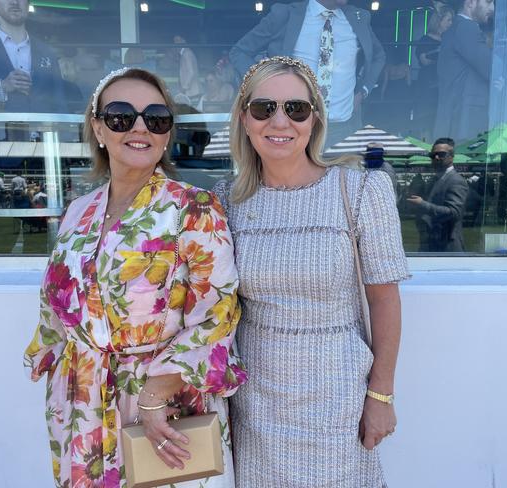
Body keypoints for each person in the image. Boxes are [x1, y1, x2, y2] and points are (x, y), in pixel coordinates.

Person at [23, 67, 246, 487]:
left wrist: (153, 396)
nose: (139, 127)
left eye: (156, 117)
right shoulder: (77, 211)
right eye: (121, 116)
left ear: (167, 132)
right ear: (98, 128)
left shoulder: (193, 208)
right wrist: (52, 368)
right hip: (83, 403)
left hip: (163, 407)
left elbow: (219, 312)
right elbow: (55, 305)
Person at [212, 56, 408, 487]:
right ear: (245, 119)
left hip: (339, 397)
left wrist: (381, 395)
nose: (279, 120)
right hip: (255, 403)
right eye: (264, 108)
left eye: (295, 109)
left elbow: (384, 300)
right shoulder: (224, 200)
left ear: (314, 120)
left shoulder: (359, 190)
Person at [229, 0, 386, 146]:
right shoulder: (286, 15)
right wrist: (266, 85)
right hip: (293, 127)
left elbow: (378, 56)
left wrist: (363, 91)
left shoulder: (358, 18)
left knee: (344, 176)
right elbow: (240, 52)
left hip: (343, 128)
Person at [434, 0, 495, 141]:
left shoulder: (456, 27)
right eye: (488, 2)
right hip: (463, 120)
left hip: (455, 117)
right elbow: (491, 68)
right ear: (470, 3)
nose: (492, 8)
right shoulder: (467, 27)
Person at [407, 137, 469, 252]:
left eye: (441, 154)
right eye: (432, 155)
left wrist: (422, 204)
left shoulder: (456, 181)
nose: (436, 157)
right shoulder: (434, 179)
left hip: (448, 246)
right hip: (431, 243)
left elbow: (453, 212)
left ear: (451, 156)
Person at [414, 6, 454, 139]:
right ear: (438, 21)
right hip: (428, 85)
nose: (451, 23)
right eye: (448, 20)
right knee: (426, 118)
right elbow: (424, 60)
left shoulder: (451, 40)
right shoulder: (425, 40)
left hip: (445, 85)